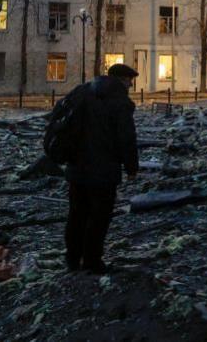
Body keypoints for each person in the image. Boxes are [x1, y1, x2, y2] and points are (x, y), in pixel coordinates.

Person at [65, 63, 139, 274]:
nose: (131, 85)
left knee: (77, 214)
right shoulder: (120, 101)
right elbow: (126, 137)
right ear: (123, 80)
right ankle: (92, 261)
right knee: (99, 216)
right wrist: (131, 167)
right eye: (130, 81)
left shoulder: (83, 91)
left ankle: (72, 259)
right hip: (103, 171)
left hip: (77, 167)